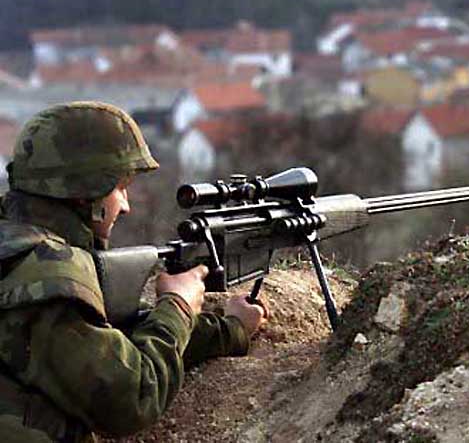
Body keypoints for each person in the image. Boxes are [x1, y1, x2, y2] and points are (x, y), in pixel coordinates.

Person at [0, 101, 268, 442]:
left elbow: (105, 340)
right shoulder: (45, 278)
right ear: (87, 194)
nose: (125, 205)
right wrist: (178, 305)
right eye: (119, 188)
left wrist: (228, 330)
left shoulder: (13, 245)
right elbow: (132, 397)